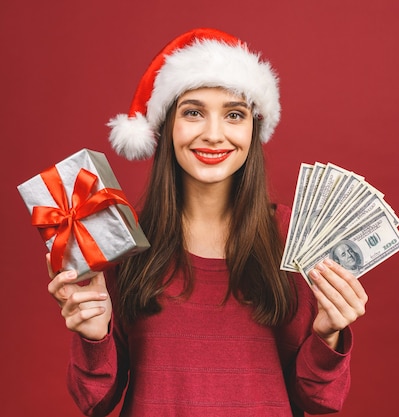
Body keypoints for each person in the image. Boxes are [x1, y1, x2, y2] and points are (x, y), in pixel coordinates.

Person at [46, 28, 368, 417]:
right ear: (166, 127)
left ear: (254, 128)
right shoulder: (122, 243)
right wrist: (93, 336)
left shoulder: (295, 239)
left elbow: (319, 400)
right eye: (193, 112)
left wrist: (328, 332)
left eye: (234, 114)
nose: (214, 135)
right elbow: (94, 401)